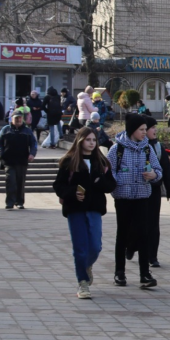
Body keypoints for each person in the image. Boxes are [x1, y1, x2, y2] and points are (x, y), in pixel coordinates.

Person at [53, 127, 116, 299]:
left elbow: (111, 185)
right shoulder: (69, 161)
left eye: (94, 140)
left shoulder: (101, 162)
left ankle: (86, 266)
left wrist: (100, 181)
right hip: (75, 209)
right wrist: (73, 192)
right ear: (80, 141)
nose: (91, 143)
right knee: (80, 248)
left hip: (94, 208)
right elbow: (58, 186)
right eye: (88, 140)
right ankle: (83, 282)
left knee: (95, 247)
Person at [106, 114, 161, 289]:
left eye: (146, 129)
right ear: (132, 130)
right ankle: (119, 272)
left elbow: (158, 169)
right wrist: (117, 183)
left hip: (143, 197)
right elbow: (109, 171)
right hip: (123, 198)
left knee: (143, 235)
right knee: (122, 235)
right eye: (142, 130)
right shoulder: (117, 149)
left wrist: (154, 175)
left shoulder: (147, 149)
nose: (145, 133)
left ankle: (145, 274)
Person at [138, 116, 170, 268]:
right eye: (152, 128)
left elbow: (166, 169)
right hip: (137, 191)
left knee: (153, 224)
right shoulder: (135, 146)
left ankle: (152, 256)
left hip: (154, 191)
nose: (155, 131)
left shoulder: (158, 147)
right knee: (137, 223)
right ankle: (131, 246)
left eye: (154, 128)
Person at [0, 108, 38, 210]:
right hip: (9, 160)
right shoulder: (6, 130)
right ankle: (10, 202)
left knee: (20, 181)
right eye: (16, 118)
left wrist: (32, 154)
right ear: (12, 119)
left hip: (22, 160)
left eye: (20, 118)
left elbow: (34, 144)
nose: (18, 120)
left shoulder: (27, 131)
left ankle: (19, 202)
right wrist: (1, 153)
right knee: (10, 181)